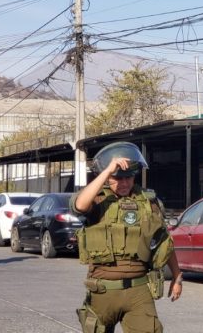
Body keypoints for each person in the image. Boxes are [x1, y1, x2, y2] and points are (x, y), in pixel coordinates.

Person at [71, 141, 182, 333]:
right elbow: (80, 205)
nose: (124, 183)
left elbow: (164, 241)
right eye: (117, 178)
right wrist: (107, 171)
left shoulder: (148, 202)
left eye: (128, 178)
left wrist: (177, 276)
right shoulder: (98, 199)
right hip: (104, 291)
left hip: (139, 290)